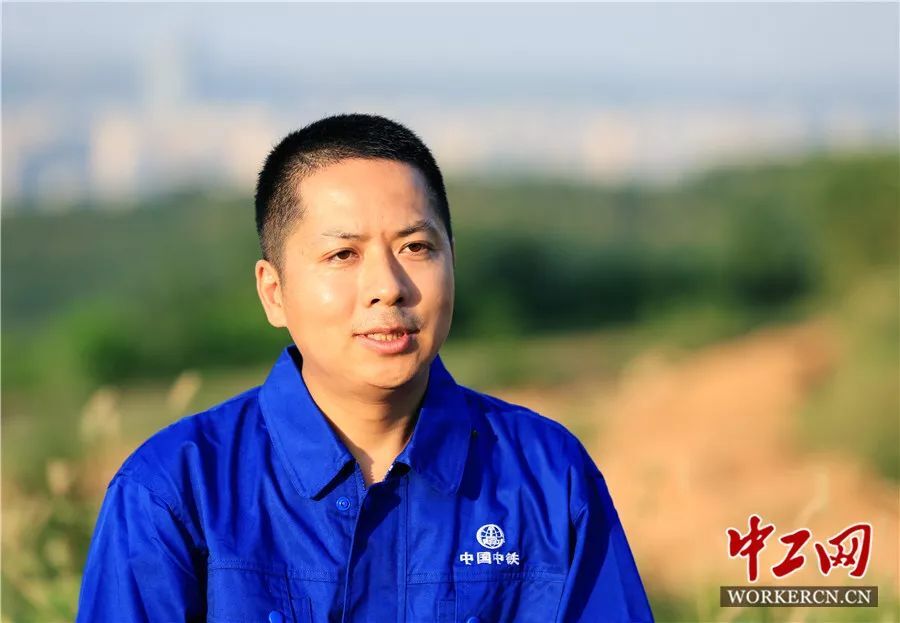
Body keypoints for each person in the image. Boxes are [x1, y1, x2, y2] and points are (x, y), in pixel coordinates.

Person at [76, 113, 654, 622]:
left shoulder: (548, 478)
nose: (387, 286)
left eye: (416, 248)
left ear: (453, 262)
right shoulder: (175, 492)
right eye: (343, 254)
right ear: (274, 292)